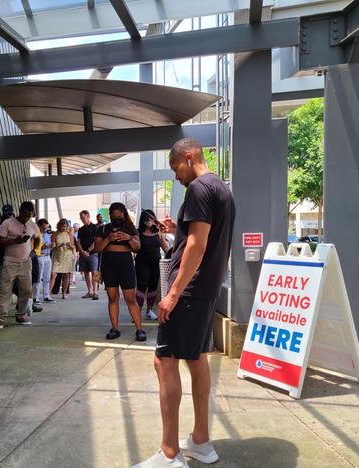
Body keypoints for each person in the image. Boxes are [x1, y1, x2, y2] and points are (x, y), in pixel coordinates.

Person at [132, 139, 235, 468]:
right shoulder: (221, 188)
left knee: (165, 362)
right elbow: (203, 235)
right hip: (205, 291)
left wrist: (173, 293)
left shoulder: (198, 189)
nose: (176, 175)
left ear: (189, 158)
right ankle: (201, 442)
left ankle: (170, 454)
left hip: (188, 292)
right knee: (196, 358)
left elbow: (196, 245)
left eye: (176, 167)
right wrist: (181, 227)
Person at [94, 202, 147, 342]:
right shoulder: (103, 229)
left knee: (130, 298)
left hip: (126, 264)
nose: (117, 219)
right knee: (112, 298)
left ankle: (139, 329)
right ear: (110, 216)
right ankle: (115, 328)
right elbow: (97, 248)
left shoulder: (130, 228)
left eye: (119, 216)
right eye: (114, 216)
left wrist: (128, 238)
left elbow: (138, 247)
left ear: (124, 215)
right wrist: (108, 239)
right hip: (109, 264)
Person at [0, 201, 41, 329]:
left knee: (26, 290)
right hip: (10, 261)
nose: (26, 218)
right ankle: (0, 318)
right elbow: (0, 241)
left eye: (29, 216)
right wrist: (15, 240)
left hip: (26, 262)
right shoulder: (7, 223)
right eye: (25, 215)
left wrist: (34, 251)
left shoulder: (32, 225)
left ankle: (20, 315)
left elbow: (37, 238)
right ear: (20, 211)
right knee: (5, 290)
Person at [135, 209, 169, 320]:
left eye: (151, 219)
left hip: (155, 263)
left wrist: (162, 234)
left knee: (153, 287)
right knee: (141, 286)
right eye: (147, 219)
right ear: (143, 221)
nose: (149, 221)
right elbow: (135, 248)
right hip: (142, 263)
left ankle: (149, 311)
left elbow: (165, 248)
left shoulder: (158, 232)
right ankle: (137, 311)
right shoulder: (138, 233)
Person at [76, 210, 100, 300]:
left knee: (95, 272)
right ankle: (90, 291)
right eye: (81, 218)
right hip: (83, 254)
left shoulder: (95, 227)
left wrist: (88, 250)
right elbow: (78, 241)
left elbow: (96, 240)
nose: (82, 219)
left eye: (83, 217)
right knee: (86, 272)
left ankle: (95, 291)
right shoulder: (81, 229)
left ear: (88, 216)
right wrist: (82, 251)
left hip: (93, 253)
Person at [50, 219, 76, 300]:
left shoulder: (69, 234)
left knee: (66, 275)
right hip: (57, 256)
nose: (64, 228)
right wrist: (58, 246)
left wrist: (69, 246)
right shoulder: (55, 234)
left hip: (67, 256)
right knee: (53, 274)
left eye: (65, 226)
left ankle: (64, 293)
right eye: (62, 226)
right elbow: (52, 247)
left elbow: (73, 246)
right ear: (59, 225)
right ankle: (48, 293)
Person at [33, 218, 55, 304]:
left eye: (46, 227)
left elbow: (49, 245)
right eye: (43, 227)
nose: (45, 229)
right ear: (39, 226)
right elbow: (37, 247)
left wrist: (52, 245)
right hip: (40, 256)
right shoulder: (37, 234)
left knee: (47, 278)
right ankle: (36, 297)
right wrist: (45, 246)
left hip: (47, 256)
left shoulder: (47, 234)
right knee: (38, 278)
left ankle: (46, 296)